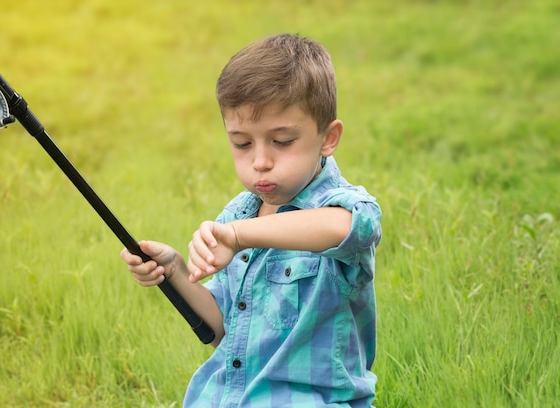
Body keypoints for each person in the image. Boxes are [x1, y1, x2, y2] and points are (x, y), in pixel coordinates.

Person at [120, 33, 382, 407]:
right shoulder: (238, 215)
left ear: (328, 138)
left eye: (282, 141)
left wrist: (240, 237)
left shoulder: (345, 207)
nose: (260, 160)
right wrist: (175, 270)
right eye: (242, 144)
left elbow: (342, 228)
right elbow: (221, 330)